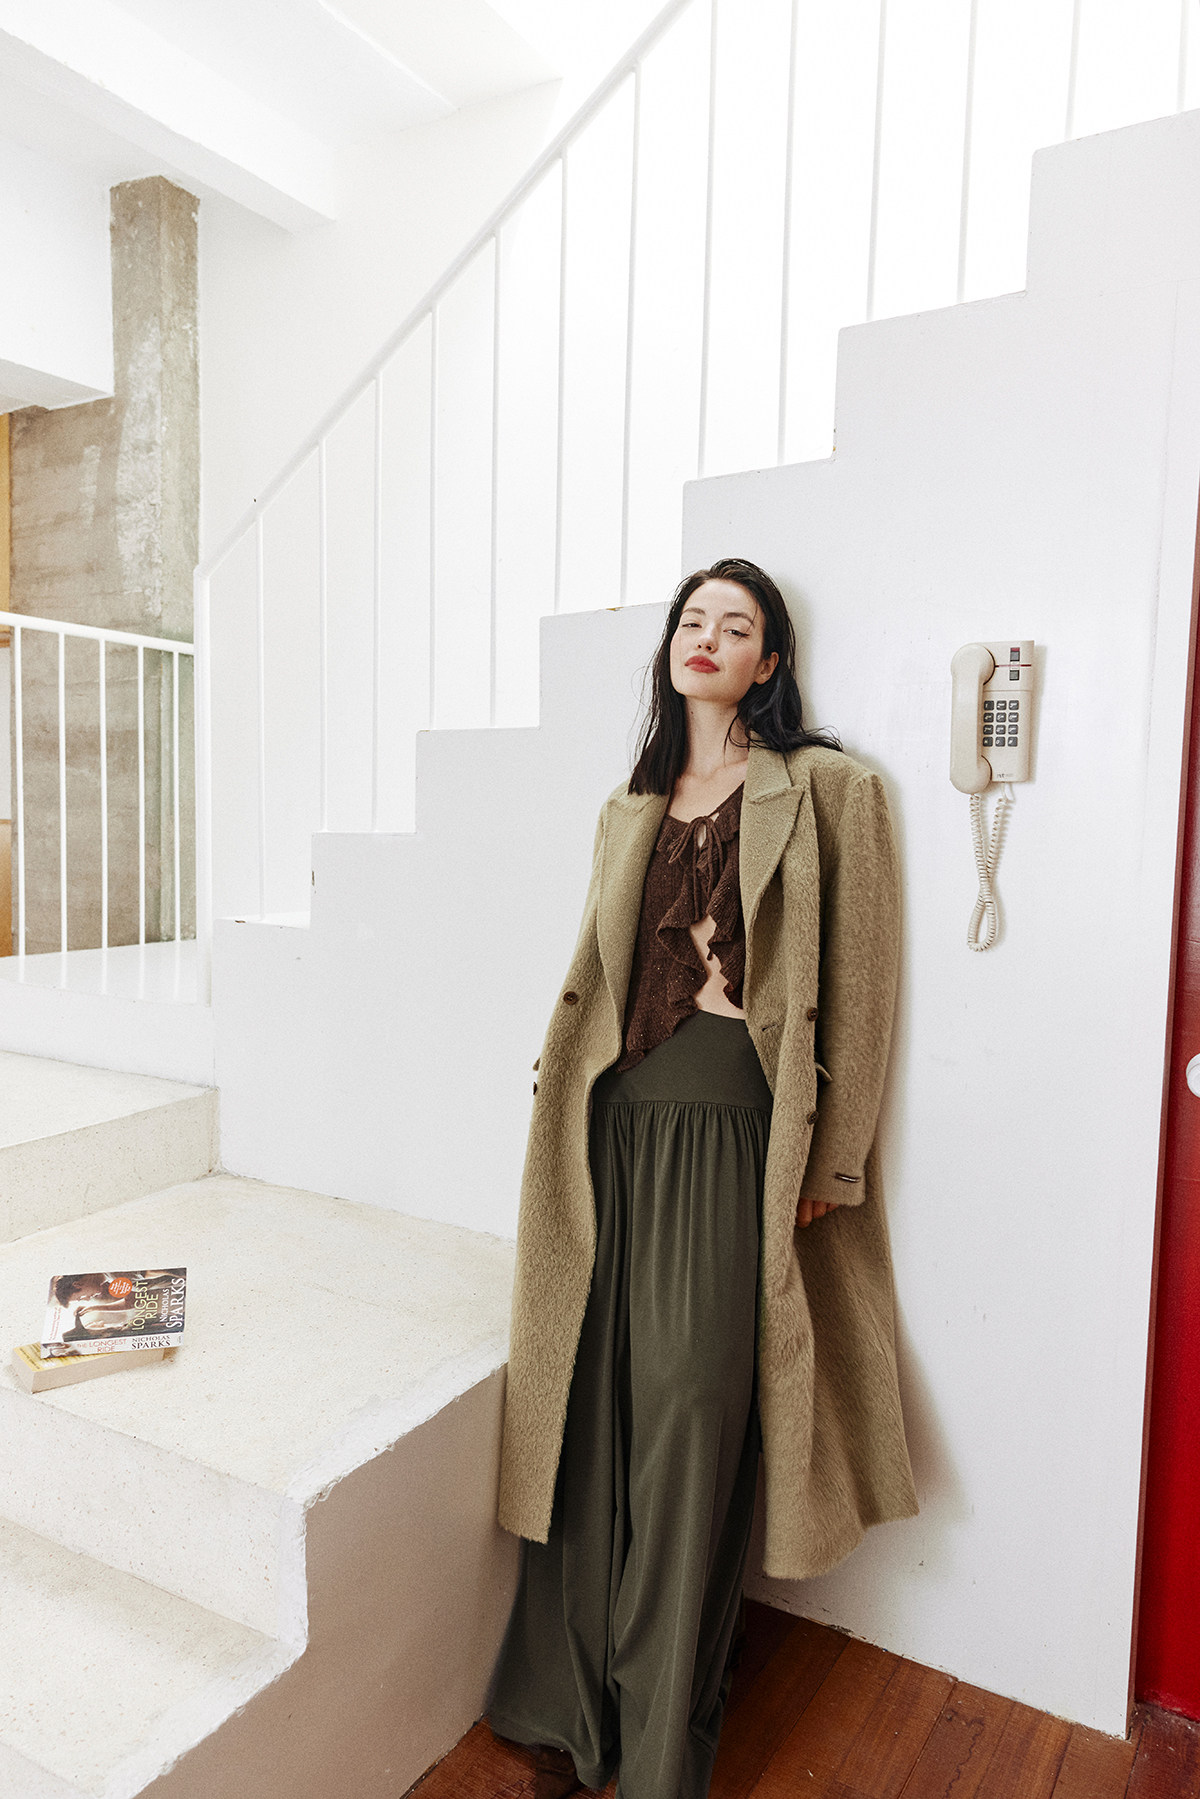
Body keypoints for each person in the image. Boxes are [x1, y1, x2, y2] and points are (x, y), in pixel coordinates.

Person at [488, 559, 918, 1799]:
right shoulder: (629, 806)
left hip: (736, 1131)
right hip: (610, 1127)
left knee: (690, 1410)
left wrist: (834, 1158)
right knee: (590, 1411)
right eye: (692, 619)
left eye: (738, 626)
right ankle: (567, 1704)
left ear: (769, 662)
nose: (709, 637)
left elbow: (863, 990)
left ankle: (660, 1735)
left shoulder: (831, 790)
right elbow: (599, 971)